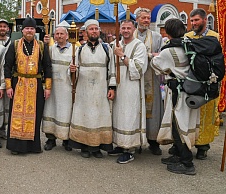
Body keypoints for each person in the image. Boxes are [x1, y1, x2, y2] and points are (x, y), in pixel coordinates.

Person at [151, 18, 200, 175]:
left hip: (177, 92)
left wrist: (153, 55)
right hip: (190, 89)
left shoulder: (168, 51)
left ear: (168, 32)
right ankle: (178, 155)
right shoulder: (189, 45)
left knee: (178, 125)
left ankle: (187, 163)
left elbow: (156, 65)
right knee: (181, 123)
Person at [68, 19, 116, 158]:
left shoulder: (107, 49)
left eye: (96, 29)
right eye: (91, 29)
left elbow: (111, 69)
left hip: (100, 90)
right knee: (84, 117)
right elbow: (72, 68)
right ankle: (84, 146)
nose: (94, 31)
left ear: (99, 31)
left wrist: (112, 87)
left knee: (99, 117)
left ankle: (97, 147)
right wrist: (72, 70)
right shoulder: (79, 49)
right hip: (84, 90)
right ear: (86, 32)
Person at [4, 17, 52, 155]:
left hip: (35, 85)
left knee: (35, 115)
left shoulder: (41, 46)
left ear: (35, 30)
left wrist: (47, 87)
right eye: (27, 28)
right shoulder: (15, 44)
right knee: (16, 115)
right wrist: (8, 86)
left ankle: (32, 146)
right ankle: (16, 146)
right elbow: (7, 66)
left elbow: (47, 67)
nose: (29, 31)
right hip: (18, 83)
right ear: (22, 30)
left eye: (32, 28)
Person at [184, 8, 220, 160]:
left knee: (206, 114)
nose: (193, 23)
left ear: (205, 20)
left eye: (196, 20)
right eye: (192, 21)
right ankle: (187, 143)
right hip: (191, 82)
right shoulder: (187, 36)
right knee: (190, 113)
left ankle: (203, 146)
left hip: (208, 82)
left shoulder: (216, 37)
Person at [111, 20, 148, 164]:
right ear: (119, 29)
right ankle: (120, 144)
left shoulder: (139, 46)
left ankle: (130, 149)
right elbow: (112, 68)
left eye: (129, 28)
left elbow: (139, 68)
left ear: (134, 29)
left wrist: (122, 56)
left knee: (129, 116)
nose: (126, 30)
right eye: (123, 28)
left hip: (132, 88)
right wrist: (112, 86)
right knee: (118, 115)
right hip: (119, 86)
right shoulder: (116, 44)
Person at [133, 8, 164, 155]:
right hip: (133, 78)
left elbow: (162, 57)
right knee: (135, 108)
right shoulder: (129, 34)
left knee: (153, 110)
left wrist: (153, 56)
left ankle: (153, 141)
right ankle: (135, 140)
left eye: (148, 18)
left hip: (151, 77)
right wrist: (149, 54)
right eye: (144, 18)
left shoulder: (157, 37)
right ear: (137, 19)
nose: (146, 21)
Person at [42, 26, 75, 152]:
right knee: (51, 110)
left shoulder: (74, 49)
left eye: (62, 34)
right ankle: (51, 139)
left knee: (66, 112)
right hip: (53, 86)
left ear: (67, 36)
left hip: (66, 86)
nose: (59, 36)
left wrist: (73, 72)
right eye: (57, 34)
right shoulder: (50, 49)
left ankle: (66, 139)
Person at [0, 19, 11, 139]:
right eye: (0, 26)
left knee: (6, 103)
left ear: (8, 29)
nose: (2, 28)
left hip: (7, 76)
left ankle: (3, 129)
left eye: (4, 26)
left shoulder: (12, 43)